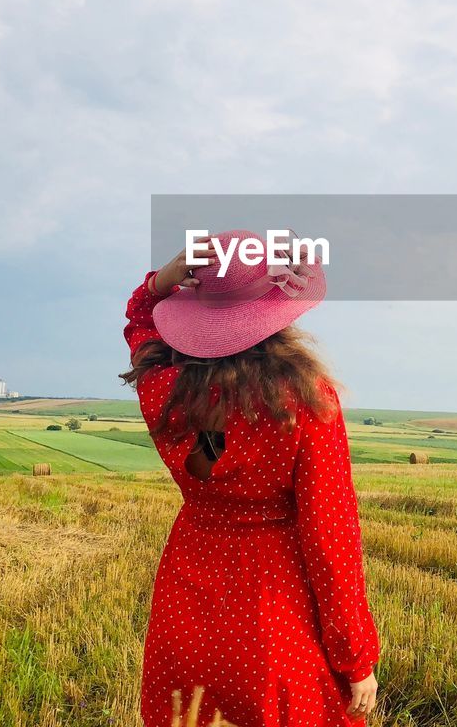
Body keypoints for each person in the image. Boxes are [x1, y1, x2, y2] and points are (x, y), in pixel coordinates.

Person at [122, 230, 380, 727]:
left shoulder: (161, 385)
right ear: (278, 312)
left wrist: (156, 286)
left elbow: (140, 326)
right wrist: (355, 658)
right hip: (272, 610)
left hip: (185, 601)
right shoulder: (305, 402)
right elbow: (331, 540)